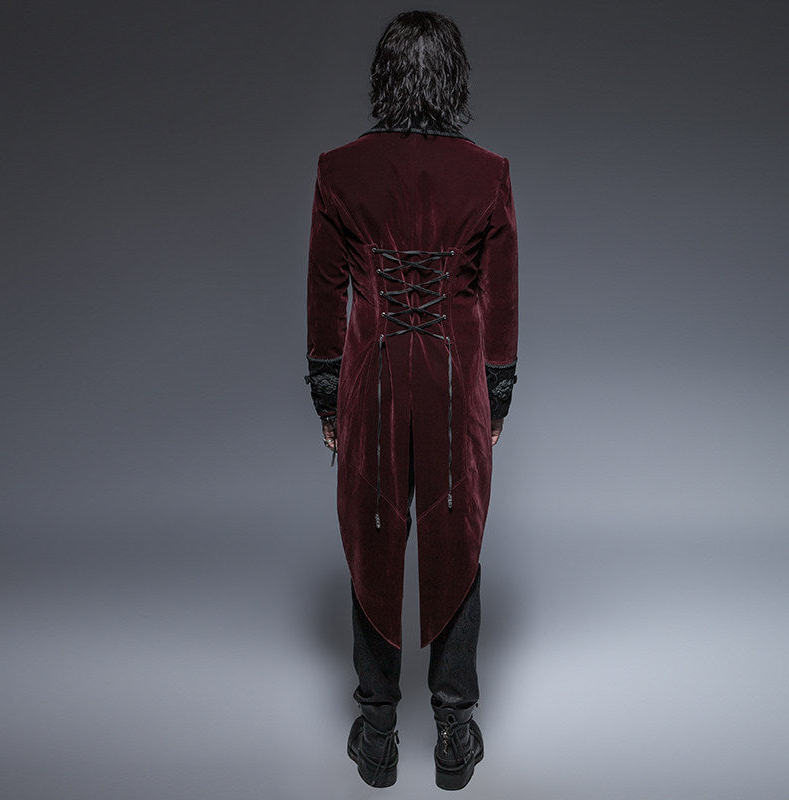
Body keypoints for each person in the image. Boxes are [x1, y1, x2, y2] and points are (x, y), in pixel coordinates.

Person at [304, 10, 518, 790]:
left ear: (384, 78)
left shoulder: (339, 170)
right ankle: (454, 734)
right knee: (457, 539)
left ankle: (378, 734)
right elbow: (502, 299)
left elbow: (325, 295)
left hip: (374, 380)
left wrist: (329, 396)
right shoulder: (488, 173)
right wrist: (497, 398)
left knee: (373, 542)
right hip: (457, 384)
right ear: (452, 79)